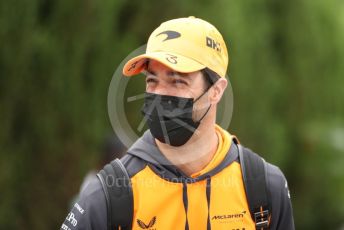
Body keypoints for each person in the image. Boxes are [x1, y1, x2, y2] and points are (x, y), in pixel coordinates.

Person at [61, 16, 295, 230]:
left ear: (216, 91)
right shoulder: (110, 194)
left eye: (177, 82)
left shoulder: (264, 188)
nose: (159, 94)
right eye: (152, 81)